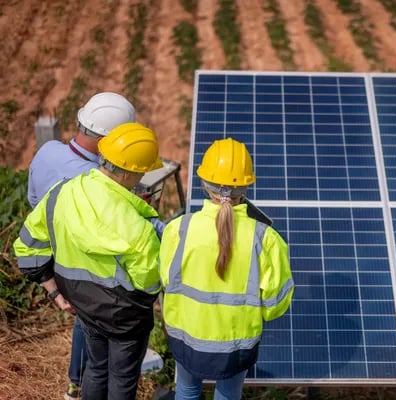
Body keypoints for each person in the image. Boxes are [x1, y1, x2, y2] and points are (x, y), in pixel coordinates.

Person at [14, 122, 163, 400]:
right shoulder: (137, 227)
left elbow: (27, 247)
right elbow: (150, 282)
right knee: (122, 378)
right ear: (132, 173)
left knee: (96, 368)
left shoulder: (61, 193)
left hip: (83, 307)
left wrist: (55, 291)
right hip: (125, 319)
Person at [159, 137, 294, 400]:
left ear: (203, 183)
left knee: (186, 390)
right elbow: (276, 304)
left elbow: (167, 279)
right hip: (236, 346)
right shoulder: (265, 239)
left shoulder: (179, 229)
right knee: (228, 395)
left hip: (185, 338)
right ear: (245, 186)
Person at [27, 92, 136, 400]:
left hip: (52, 258)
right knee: (93, 326)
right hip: (83, 269)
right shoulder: (95, 181)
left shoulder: (47, 151)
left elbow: (35, 204)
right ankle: (80, 381)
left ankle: (76, 383)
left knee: (86, 322)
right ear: (107, 142)